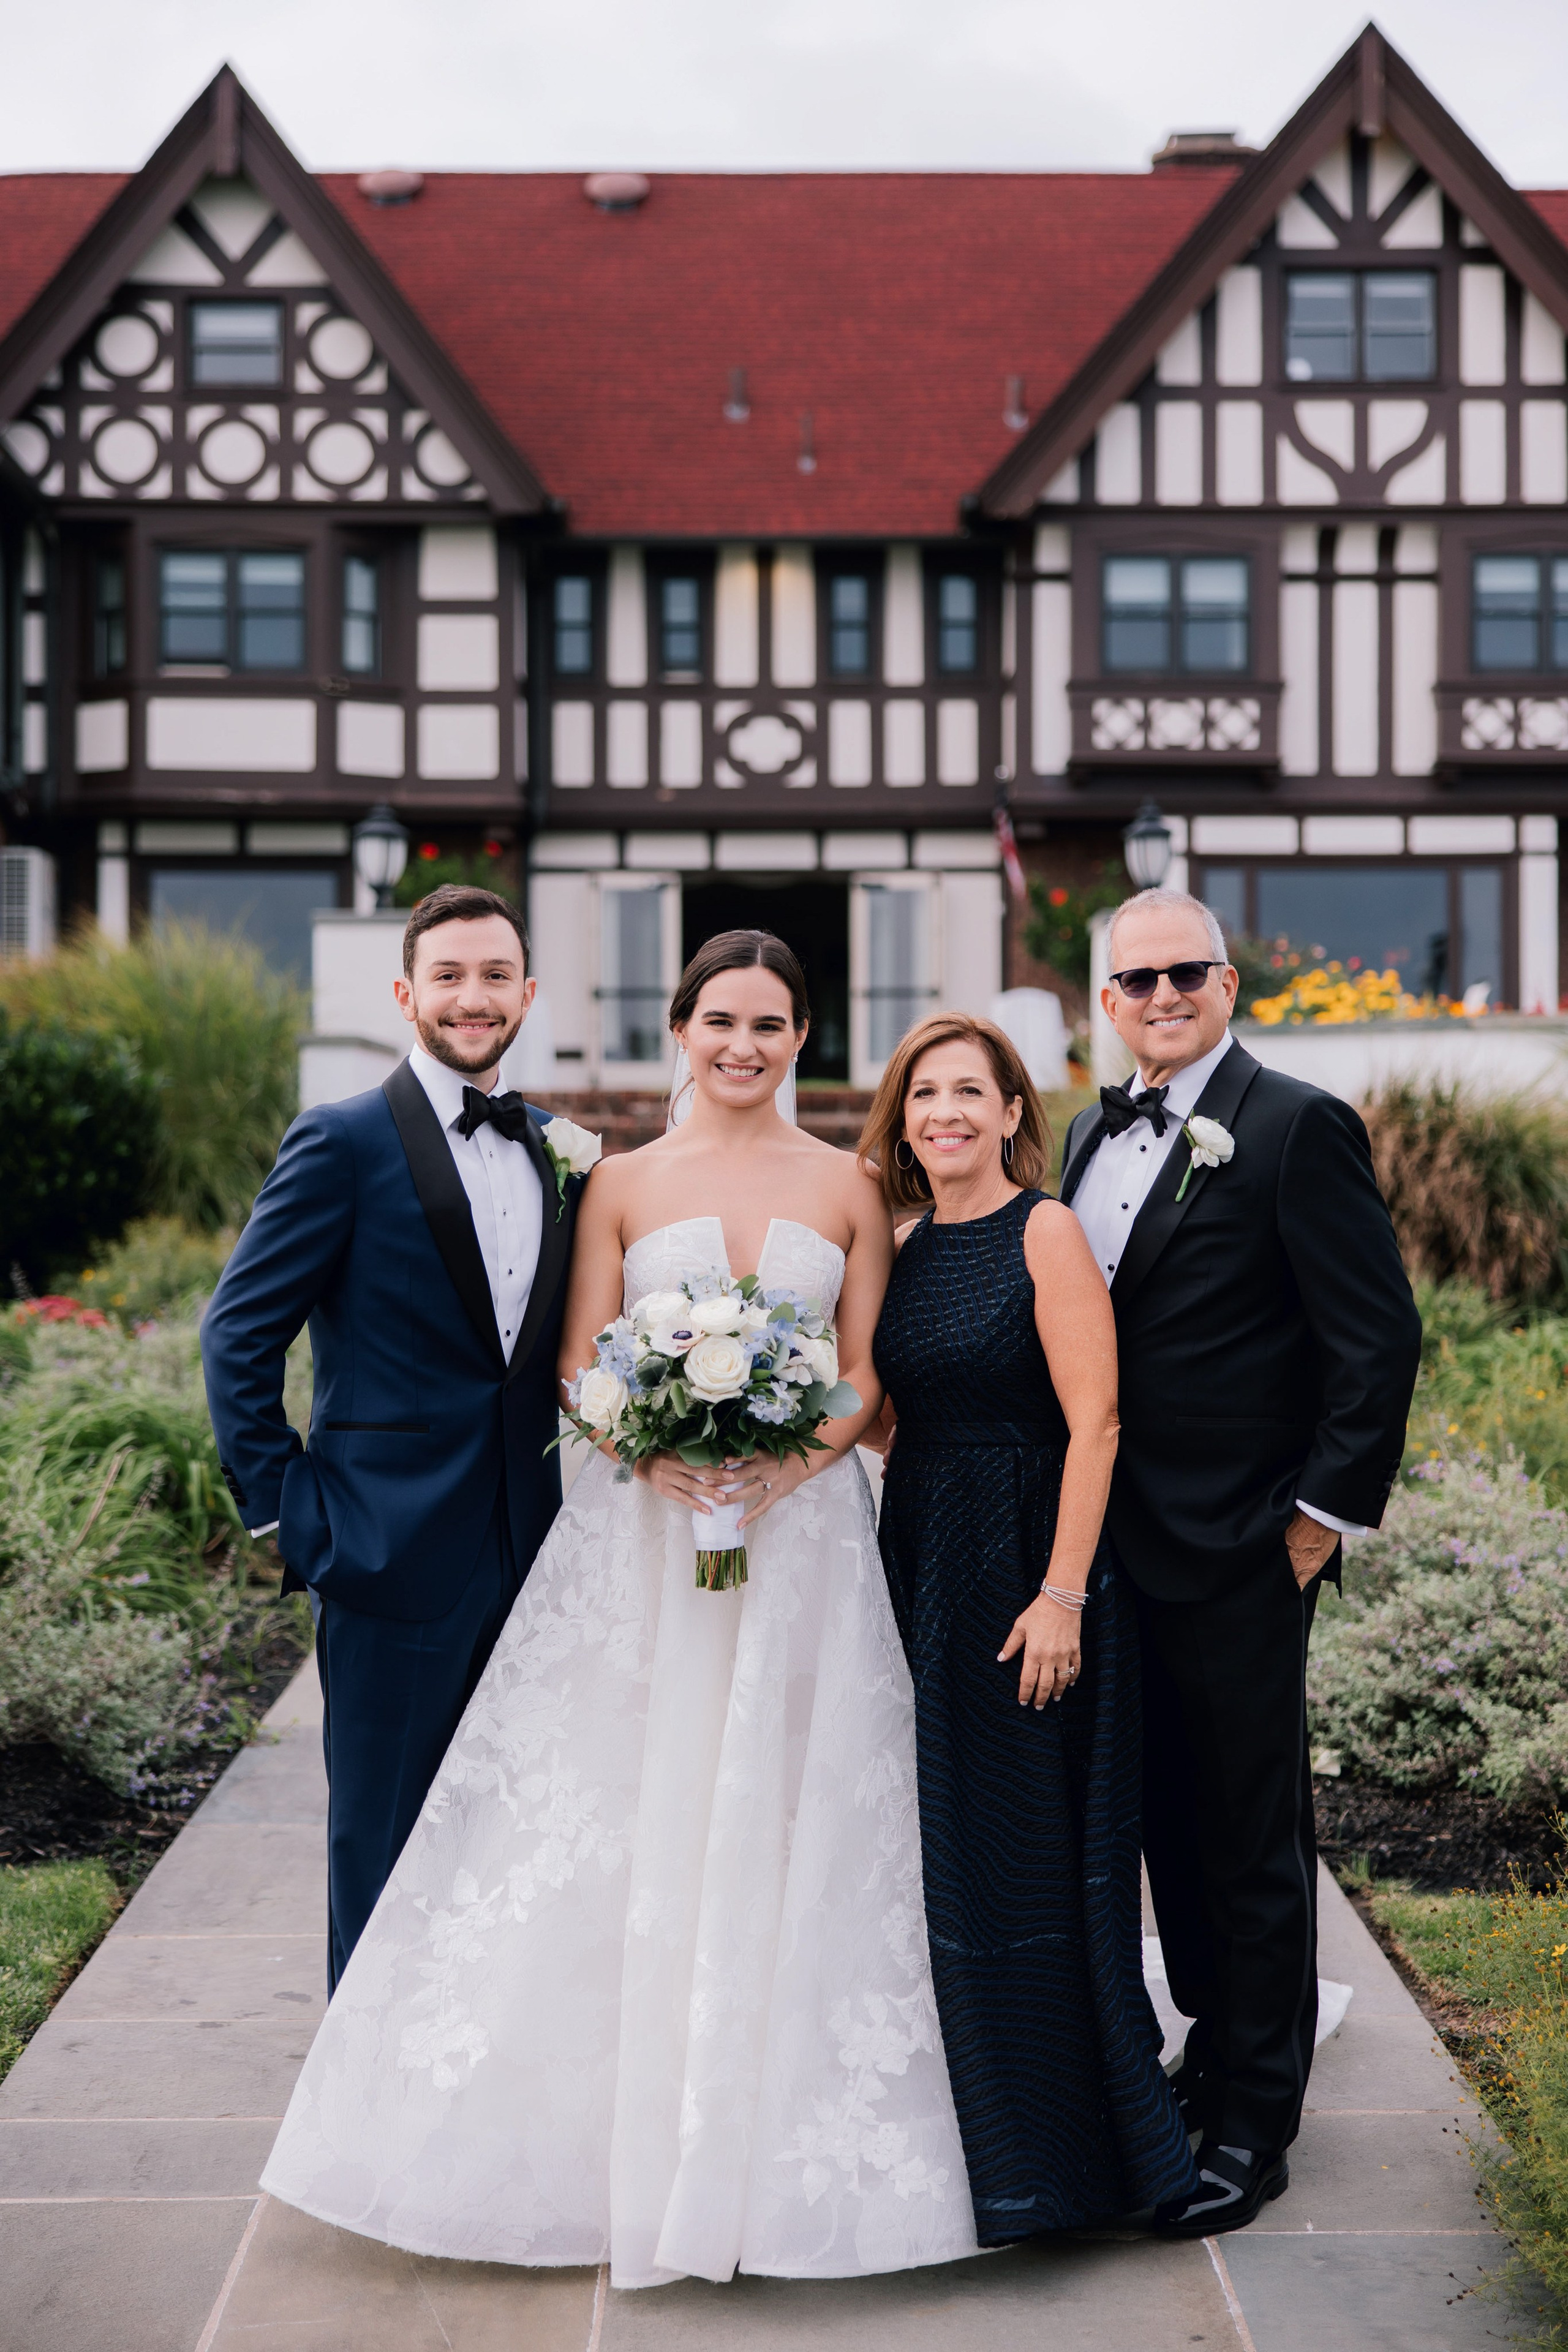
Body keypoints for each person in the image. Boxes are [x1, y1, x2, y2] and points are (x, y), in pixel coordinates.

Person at [260, 930, 983, 2287]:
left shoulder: (849, 1182)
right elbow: (578, 1363)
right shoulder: (613, 1181)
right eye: (720, 1020)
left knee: (795, 1802)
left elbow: (866, 1375)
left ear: (801, 1038)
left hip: (804, 1546)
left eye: (769, 1024)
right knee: (620, 1801)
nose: (743, 1046)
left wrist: (785, 1466)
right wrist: (654, 1456)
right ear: (679, 1029)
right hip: (645, 1539)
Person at [1059, 886, 1422, 2236]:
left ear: (1228, 983)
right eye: (1136, 980)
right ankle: (1207, 2054)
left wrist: (1316, 1523)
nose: (1161, 997)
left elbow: (1375, 1339)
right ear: (1108, 1002)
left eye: (1185, 973)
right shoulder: (1089, 1132)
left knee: (1251, 1841)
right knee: (1166, 1823)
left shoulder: (1294, 1124)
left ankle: (1257, 2122)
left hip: (1241, 1548)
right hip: (1111, 1549)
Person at [202, 884, 586, 1992]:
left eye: (496, 976)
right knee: (381, 1851)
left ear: (528, 994)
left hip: (532, 1558)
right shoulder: (342, 1140)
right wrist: (289, 1514)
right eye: (449, 976)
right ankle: (357, 2096)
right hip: (384, 1554)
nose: (474, 997)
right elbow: (237, 1333)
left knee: (508, 1851)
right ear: (407, 994)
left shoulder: (559, 1150)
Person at [865, 1014, 1199, 2241]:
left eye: (970, 1091)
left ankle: (1075, 2159)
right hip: (924, 1560)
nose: (944, 1113)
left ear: (1013, 1113)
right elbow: (887, 1413)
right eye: (924, 1095)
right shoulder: (900, 1245)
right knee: (951, 1849)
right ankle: (988, 2146)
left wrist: (1060, 1596)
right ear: (902, 1120)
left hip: (1028, 1566)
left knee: (1032, 1855)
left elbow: (1095, 1422)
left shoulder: (1043, 1230)